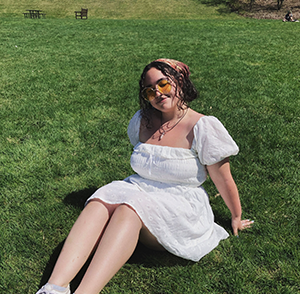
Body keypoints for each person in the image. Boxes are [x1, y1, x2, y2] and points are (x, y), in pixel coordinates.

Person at [36, 58, 254, 294]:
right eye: (150, 91)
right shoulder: (143, 120)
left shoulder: (203, 126)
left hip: (179, 204)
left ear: (180, 81)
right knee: (100, 201)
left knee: (128, 210)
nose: (158, 93)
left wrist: (236, 215)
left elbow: (224, 179)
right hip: (139, 188)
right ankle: (54, 287)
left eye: (163, 84)